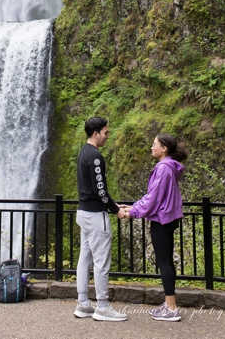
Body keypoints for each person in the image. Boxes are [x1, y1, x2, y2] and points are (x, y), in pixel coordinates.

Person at [122, 134, 187, 322]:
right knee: (167, 262)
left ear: (164, 148)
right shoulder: (169, 167)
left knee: (164, 262)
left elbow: (154, 198)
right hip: (167, 218)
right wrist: (133, 207)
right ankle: (169, 304)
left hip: (161, 220)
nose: (152, 147)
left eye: (154, 144)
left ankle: (172, 308)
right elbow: (154, 195)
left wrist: (133, 212)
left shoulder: (164, 168)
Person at [75, 116, 127, 321]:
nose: (108, 136)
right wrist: (116, 210)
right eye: (106, 132)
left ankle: (83, 304)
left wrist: (114, 205)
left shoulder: (83, 152)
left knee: (85, 259)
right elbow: (101, 190)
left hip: (83, 212)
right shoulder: (96, 156)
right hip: (96, 216)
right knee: (101, 262)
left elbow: (96, 189)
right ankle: (103, 307)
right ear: (95, 133)